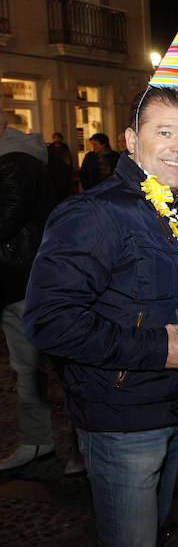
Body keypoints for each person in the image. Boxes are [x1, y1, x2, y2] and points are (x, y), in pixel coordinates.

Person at [23, 29, 178, 546]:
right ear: (131, 140)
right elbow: (48, 321)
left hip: (172, 409)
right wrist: (159, 348)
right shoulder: (94, 213)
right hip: (121, 420)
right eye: (165, 133)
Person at [0, 111, 58, 472]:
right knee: (30, 366)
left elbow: (6, 219)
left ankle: (70, 447)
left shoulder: (15, 162)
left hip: (25, 279)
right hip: (18, 278)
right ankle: (41, 441)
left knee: (49, 365)